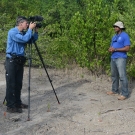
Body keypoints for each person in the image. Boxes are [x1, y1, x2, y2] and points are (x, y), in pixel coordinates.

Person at [4, 16, 38, 113]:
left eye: (28, 24)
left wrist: (35, 32)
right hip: (11, 60)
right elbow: (23, 40)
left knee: (18, 83)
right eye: (26, 23)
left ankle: (18, 103)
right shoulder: (12, 32)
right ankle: (10, 106)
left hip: (19, 61)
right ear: (20, 23)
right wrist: (30, 29)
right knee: (11, 83)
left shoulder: (24, 33)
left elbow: (31, 40)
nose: (27, 25)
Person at [107, 21, 130, 100]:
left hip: (121, 58)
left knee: (122, 76)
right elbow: (112, 46)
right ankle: (115, 90)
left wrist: (115, 49)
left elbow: (127, 48)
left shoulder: (125, 36)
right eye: (114, 27)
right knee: (114, 75)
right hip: (113, 58)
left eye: (116, 27)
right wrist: (110, 49)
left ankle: (125, 94)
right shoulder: (114, 36)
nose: (115, 28)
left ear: (120, 27)